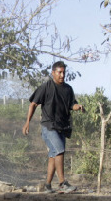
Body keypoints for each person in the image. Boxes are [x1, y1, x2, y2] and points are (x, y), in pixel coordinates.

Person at [22, 61, 84, 193]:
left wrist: (77, 107)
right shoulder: (46, 87)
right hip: (48, 126)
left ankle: (48, 185)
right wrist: (27, 122)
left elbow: (71, 105)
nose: (62, 75)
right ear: (53, 73)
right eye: (59, 72)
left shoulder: (68, 89)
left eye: (63, 72)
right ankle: (62, 183)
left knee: (53, 155)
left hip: (62, 126)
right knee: (59, 150)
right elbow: (33, 104)